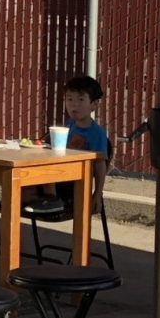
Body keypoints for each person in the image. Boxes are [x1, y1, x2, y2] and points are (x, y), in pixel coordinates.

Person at [29, 75, 109, 215]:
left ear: (94, 104)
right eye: (69, 99)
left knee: (49, 168)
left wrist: (97, 193)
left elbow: (100, 165)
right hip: (61, 176)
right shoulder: (69, 125)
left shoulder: (97, 133)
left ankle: (53, 200)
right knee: (25, 180)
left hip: (75, 185)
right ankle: (21, 201)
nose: (74, 104)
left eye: (81, 99)